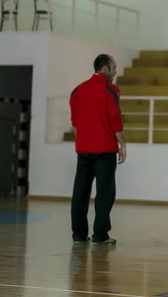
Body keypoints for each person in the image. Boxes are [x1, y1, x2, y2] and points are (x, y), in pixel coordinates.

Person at [69, 54, 126, 246]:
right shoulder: (111, 90)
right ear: (104, 69)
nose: (115, 71)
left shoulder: (77, 91)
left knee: (80, 193)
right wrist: (122, 144)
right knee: (104, 193)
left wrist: (84, 140)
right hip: (105, 150)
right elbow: (115, 120)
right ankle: (100, 235)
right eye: (114, 67)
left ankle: (78, 236)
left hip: (83, 150)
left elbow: (75, 123)